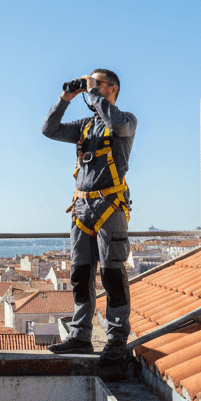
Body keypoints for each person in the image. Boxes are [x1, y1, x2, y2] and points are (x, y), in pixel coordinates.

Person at [42, 68, 136, 361]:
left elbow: (115, 122)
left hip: (111, 206)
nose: (91, 87)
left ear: (113, 89)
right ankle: (80, 335)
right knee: (80, 275)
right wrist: (66, 97)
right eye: (90, 83)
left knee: (112, 273)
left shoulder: (126, 120)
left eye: (98, 83)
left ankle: (116, 338)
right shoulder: (84, 125)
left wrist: (92, 91)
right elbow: (49, 129)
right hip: (81, 208)